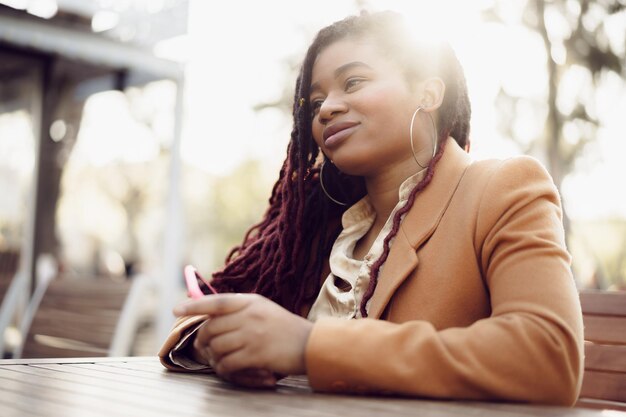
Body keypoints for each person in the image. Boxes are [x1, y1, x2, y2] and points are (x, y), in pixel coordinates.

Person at [159, 11, 583, 405]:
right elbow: (218, 315)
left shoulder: (502, 189)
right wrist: (218, 342)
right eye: (314, 101)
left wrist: (309, 347)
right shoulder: (320, 221)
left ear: (429, 92)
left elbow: (548, 354)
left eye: (354, 82)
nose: (326, 108)